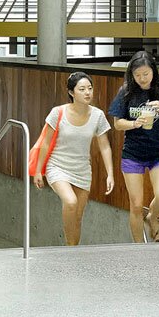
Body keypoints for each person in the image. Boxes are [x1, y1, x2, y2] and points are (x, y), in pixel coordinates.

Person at [30, 71, 115, 246]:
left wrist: (110, 174)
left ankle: (72, 251)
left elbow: (104, 146)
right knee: (70, 202)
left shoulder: (98, 115)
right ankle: (68, 252)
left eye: (90, 88)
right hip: (57, 166)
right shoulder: (58, 112)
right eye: (82, 89)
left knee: (77, 217)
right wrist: (38, 170)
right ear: (71, 92)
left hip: (82, 170)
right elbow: (45, 143)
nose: (87, 93)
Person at [109, 51, 159, 242]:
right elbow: (117, 124)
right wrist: (134, 123)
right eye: (137, 75)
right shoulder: (125, 91)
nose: (141, 79)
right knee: (136, 204)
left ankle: (153, 216)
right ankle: (138, 247)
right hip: (132, 153)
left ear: (153, 72)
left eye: (146, 74)